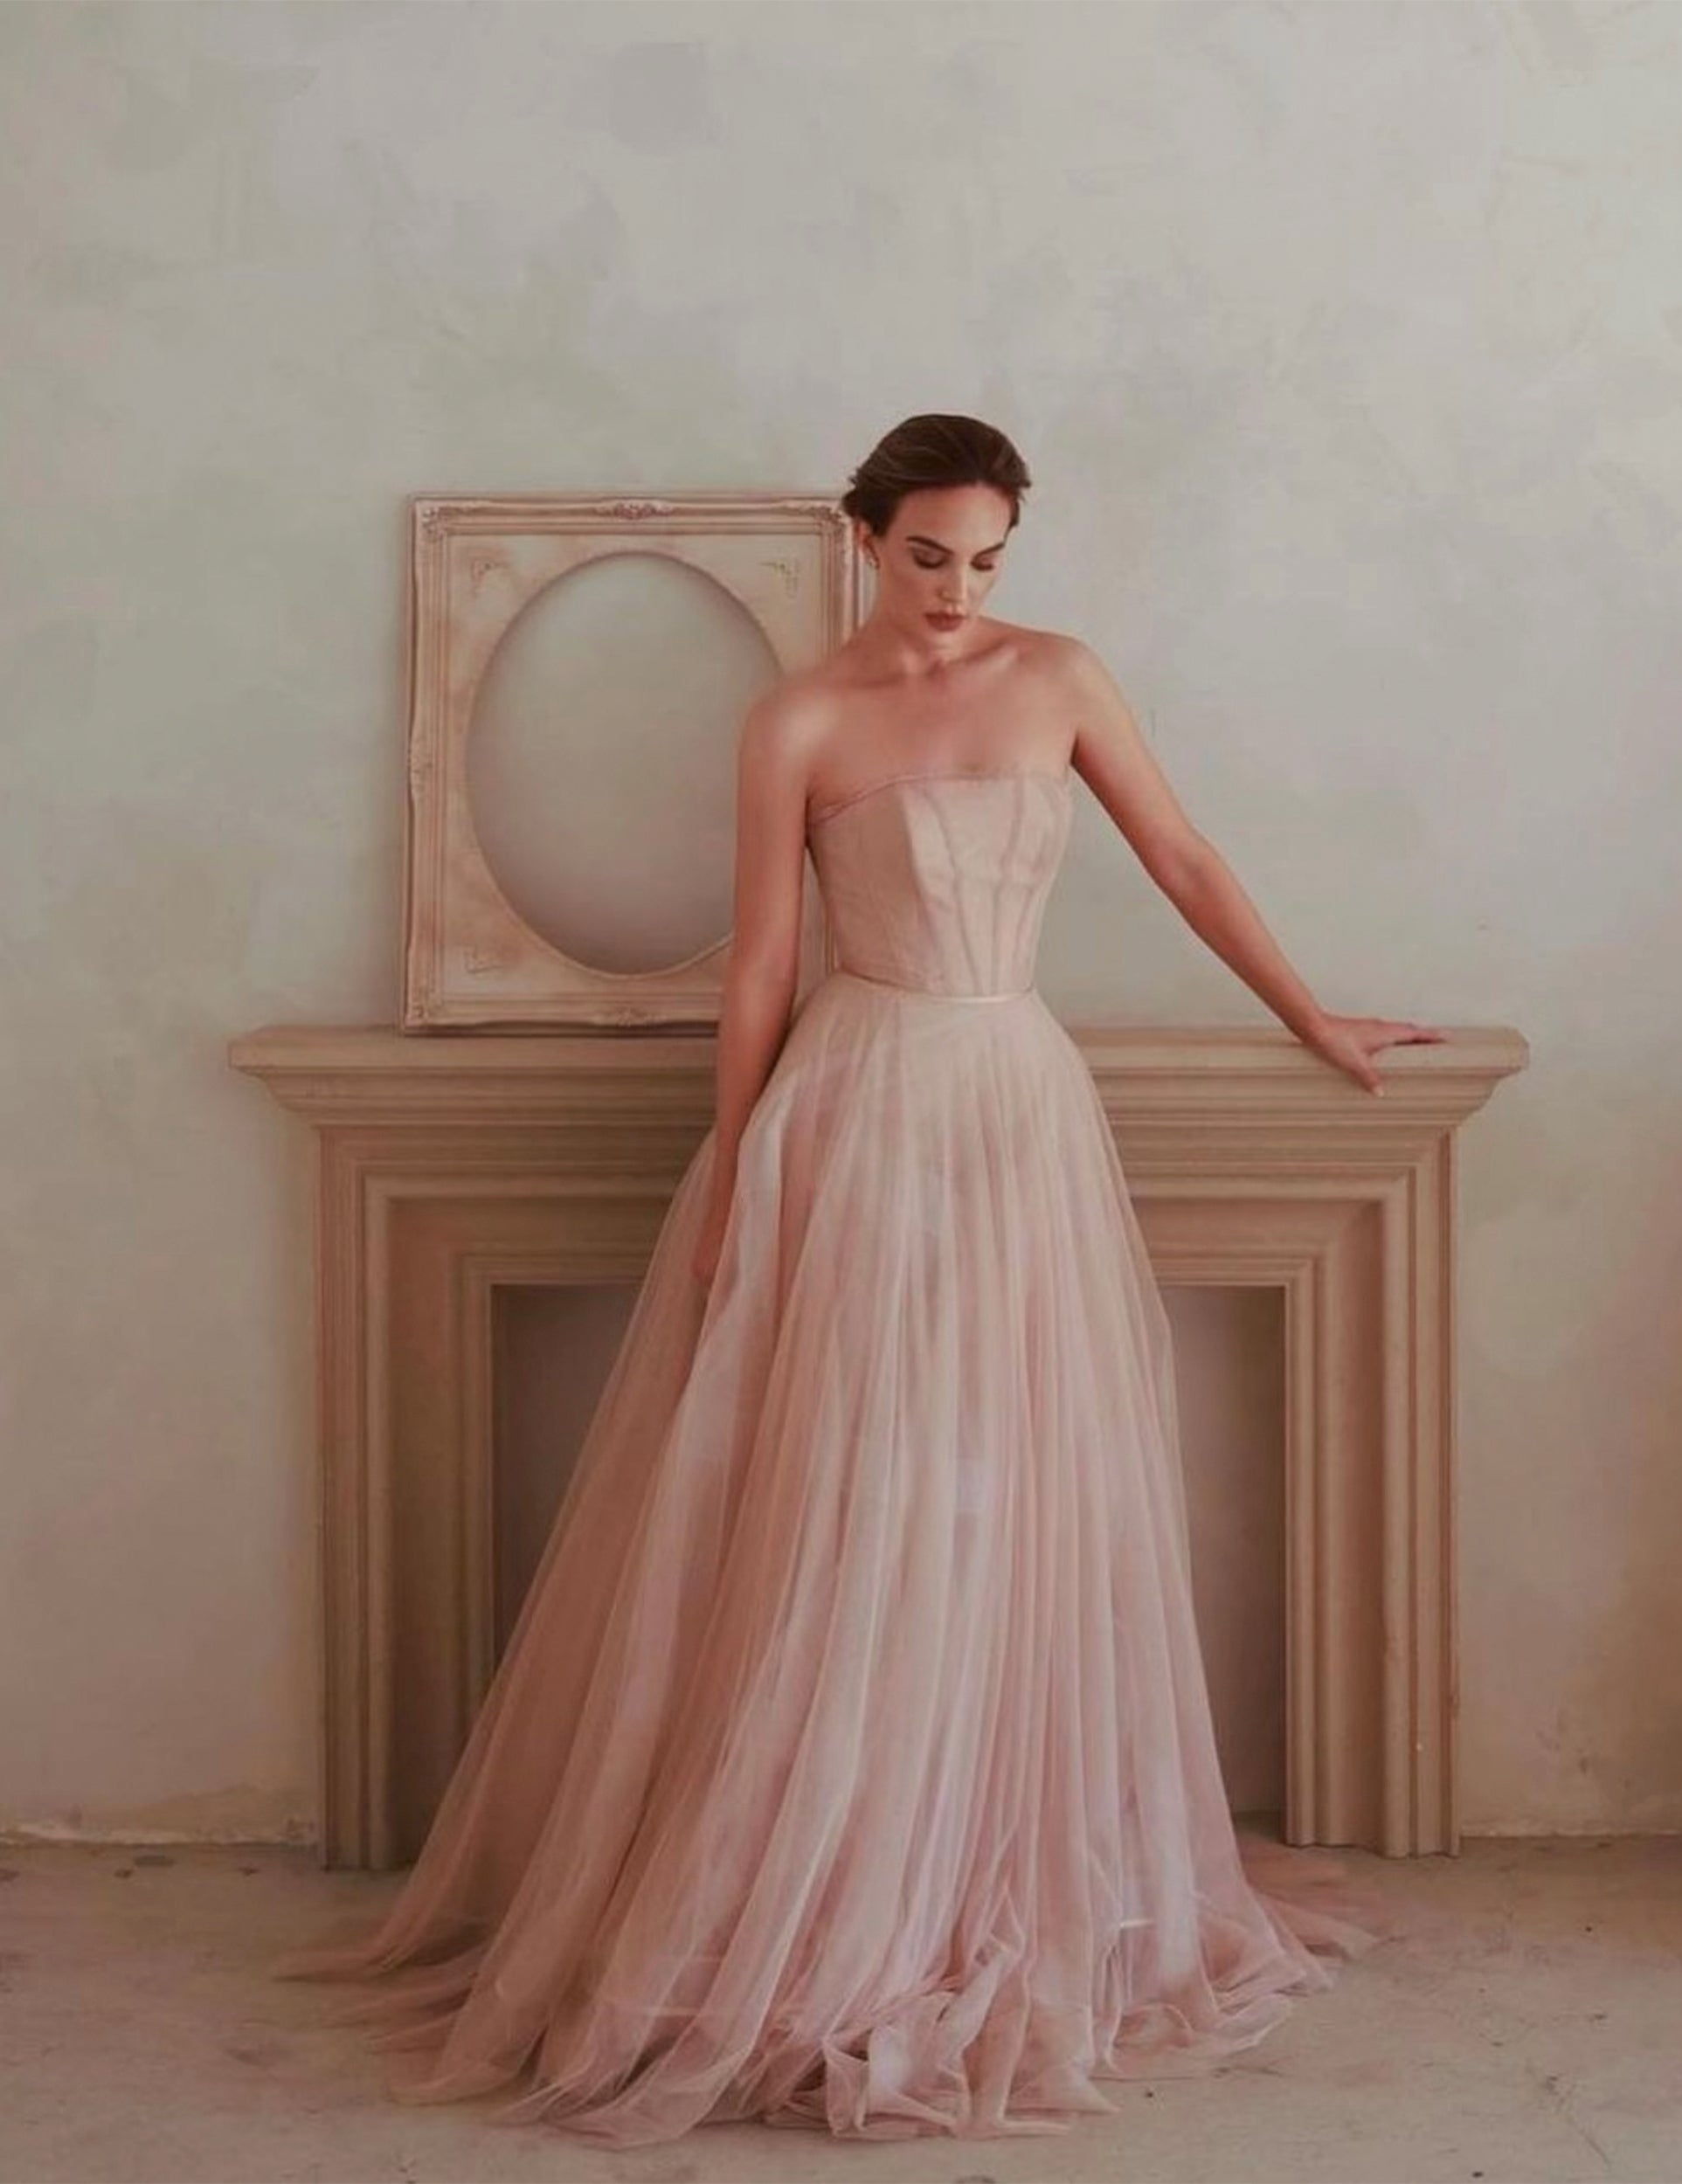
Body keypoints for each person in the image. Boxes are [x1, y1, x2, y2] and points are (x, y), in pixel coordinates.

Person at [272, 413, 1445, 2146]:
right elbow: (762, 961)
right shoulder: (801, 718)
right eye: (927, 555)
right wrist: (739, 1160)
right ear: (863, 538)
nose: (959, 591)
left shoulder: (1061, 678)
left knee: (1014, 1488)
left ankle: (980, 1854)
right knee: (857, 1491)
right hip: (861, 1101)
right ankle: (830, 1891)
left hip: (1015, 1103)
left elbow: (1184, 857)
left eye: (986, 559)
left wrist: (1312, 1011)